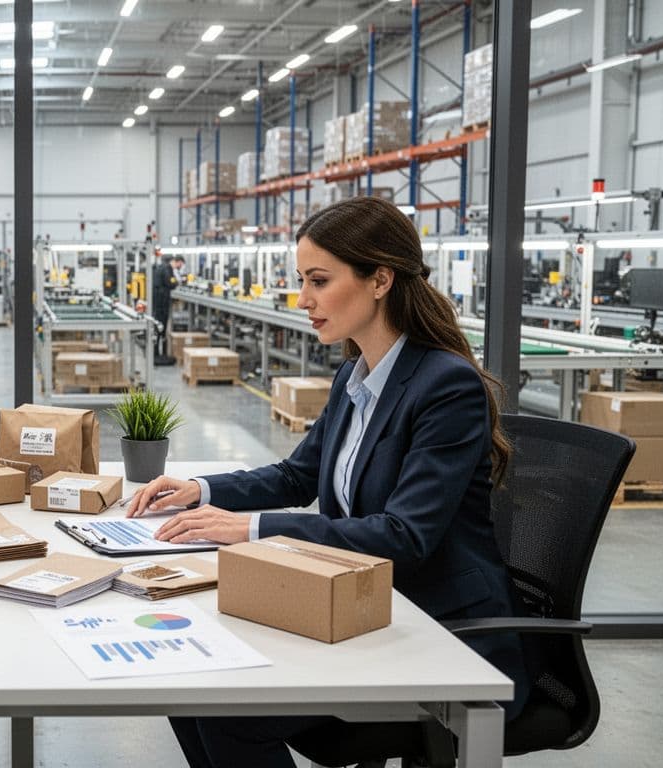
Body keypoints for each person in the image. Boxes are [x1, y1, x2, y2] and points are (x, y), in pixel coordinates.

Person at [128, 196, 528, 768]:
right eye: (301, 280)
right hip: (362, 601)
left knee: (227, 709)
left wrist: (250, 529)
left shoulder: (445, 387)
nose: (303, 299)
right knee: (187, 683)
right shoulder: (355, 375)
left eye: (319, 280)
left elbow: (403, 536)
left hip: (438, 628)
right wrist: (204, 490)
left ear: (380, 280)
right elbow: (299, 474)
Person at [152, 254, 184, 364]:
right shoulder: (167, 269)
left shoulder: (162, 268)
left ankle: (157, 353)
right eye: (180, 264)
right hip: (161, 304)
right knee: (160, 328)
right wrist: (177, 281)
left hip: (158, 303)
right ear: (176, 261)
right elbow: (170, 283)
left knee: (158, 328)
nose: (180, 266)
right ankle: (157, 355)